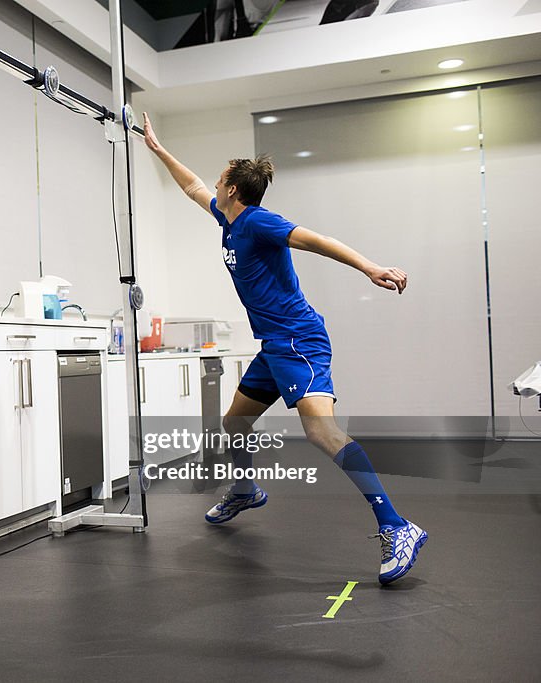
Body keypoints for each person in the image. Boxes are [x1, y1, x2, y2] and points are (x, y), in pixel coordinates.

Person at [142, 112, 426, 585]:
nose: (213, 184)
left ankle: (397, 525)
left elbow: (316, 240)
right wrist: (159, 149)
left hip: (298, 340)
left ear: (233, 189)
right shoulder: (227, 217)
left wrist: (369, 268)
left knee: (322, 433)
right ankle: (246, 488)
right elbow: (192, 186)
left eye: (221, 180)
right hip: (274, 345)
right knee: (235, 422)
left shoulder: (258, 222)